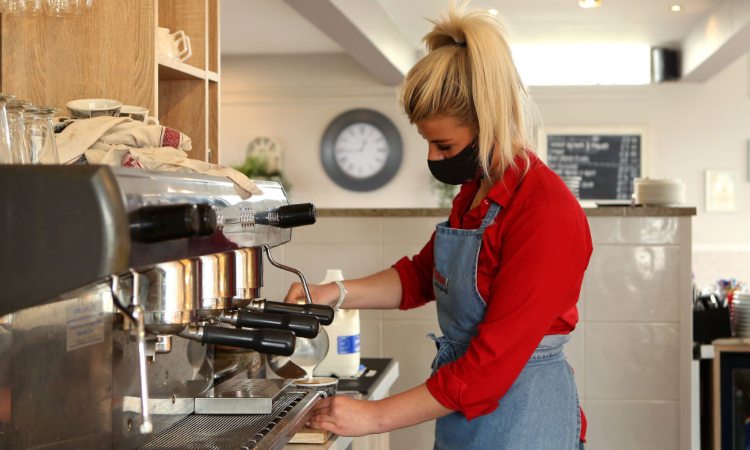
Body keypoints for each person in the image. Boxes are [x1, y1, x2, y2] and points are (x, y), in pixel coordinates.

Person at [285, 3, 592, 449]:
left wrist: (374, 417)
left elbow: (490, 368)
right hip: (468, 413)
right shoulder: (476, 193)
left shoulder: (544, 212)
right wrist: (330, 293)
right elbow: (419, 277)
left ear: (488, 124)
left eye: (444, 145)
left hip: (524, 417)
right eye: (428, 142)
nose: (433, 158)